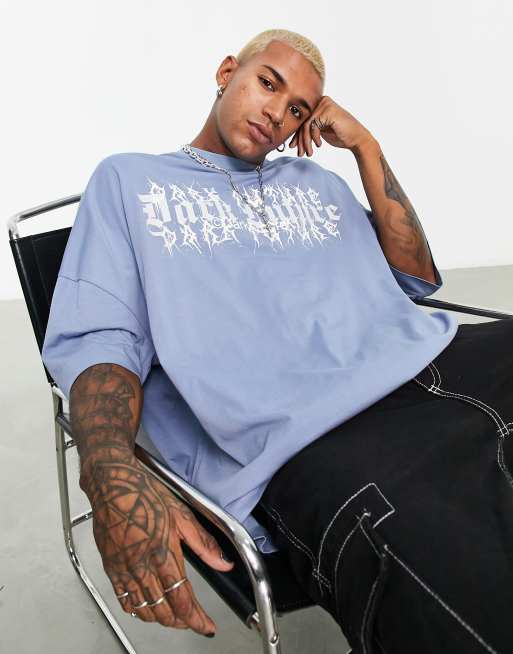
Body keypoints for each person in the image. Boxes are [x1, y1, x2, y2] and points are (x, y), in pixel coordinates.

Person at [41, 28, 513, 653]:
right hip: (307, 433)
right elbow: (102, 338)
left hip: (428, 359)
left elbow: (416, 279)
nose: (276, 112)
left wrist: (366, 147)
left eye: (297, 109)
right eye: (268, 83)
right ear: (226, 73)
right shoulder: (130, 182)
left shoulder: (317, 183)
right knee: (450, 567)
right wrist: (109, 473)